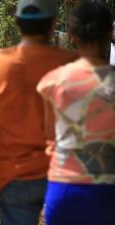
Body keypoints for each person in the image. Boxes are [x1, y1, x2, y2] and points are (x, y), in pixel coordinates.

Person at [0, 0, 78, 225]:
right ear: (53, 25)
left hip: (13, 174)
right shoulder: (70, 62)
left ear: (16, 22)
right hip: (63, 172)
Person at [37, 2, 115, 225]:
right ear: (110, 32)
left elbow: (49, 136)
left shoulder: (53, 81)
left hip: (64, 190)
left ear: (72, 35)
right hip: (108, 192)